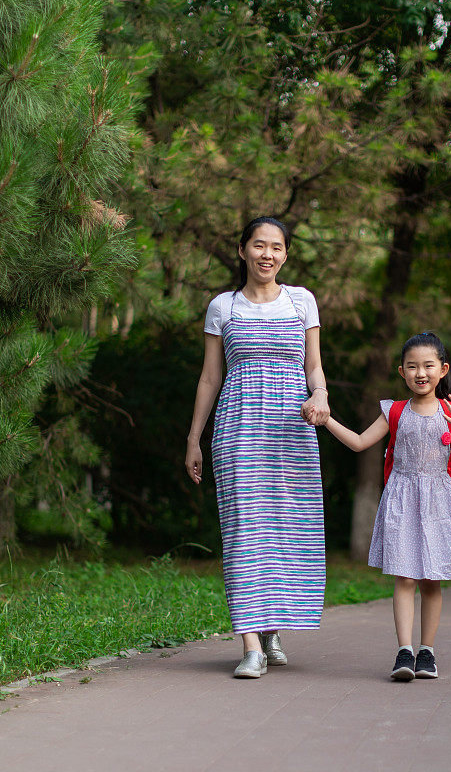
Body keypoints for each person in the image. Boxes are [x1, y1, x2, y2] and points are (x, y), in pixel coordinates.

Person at [185, 216, 330, 679]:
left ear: (285, 254)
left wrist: (321, 396)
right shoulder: (222, 307)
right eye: (259, 245)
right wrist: (194, 439)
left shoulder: (301, 301)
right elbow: (210, 377)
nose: (267, 254)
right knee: (245, 529)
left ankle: (272, 627)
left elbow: (314, 368)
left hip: (292, 428)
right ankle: (250, 643)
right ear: (243, 250)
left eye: (277, 247)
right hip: (238, 427)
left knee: (286, 526)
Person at [316, 332, 451, 681]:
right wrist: (327, 420)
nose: (420, 372)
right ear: (401, 372)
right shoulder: (393, 411)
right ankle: (404, 653)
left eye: (428, 365)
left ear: (443, 370)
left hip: (438, 503)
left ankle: (428, 652)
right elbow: (361, 443)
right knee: (405, 576)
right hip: (402, 499)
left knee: (430, 580)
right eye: (412, 366)